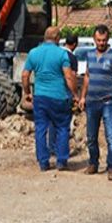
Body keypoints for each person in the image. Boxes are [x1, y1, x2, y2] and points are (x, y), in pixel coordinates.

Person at [22, 27, 78, 172]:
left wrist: (27, 92)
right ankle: (61, 161)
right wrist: (75, 95)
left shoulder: (33, 53)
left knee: (40, 129)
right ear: (58, 38)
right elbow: (68, 76)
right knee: (62, 128)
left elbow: (25, 75)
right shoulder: (62, 54)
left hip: (40, 97)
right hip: (59, 97)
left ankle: (43, 162)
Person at [79, 24, 112, 181]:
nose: (101, 43)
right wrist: (83, 97)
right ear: (94, 39)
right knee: (91, 136)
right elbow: (87, 76)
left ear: (108, 39)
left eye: (104, 40)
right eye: (98, 40)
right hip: (91, 102)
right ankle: (93, 163)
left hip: (108, 103)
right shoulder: (89, 55)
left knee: (111, 137)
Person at [49, 35, 79, 155]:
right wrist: (75, 94)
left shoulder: (57, 54)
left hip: (52, 92)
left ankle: (51, 147)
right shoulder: (71, 57)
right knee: (63, 124)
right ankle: (62, 150)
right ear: (75, 44)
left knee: (52, 122)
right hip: (65, 93)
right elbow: (72, 76)